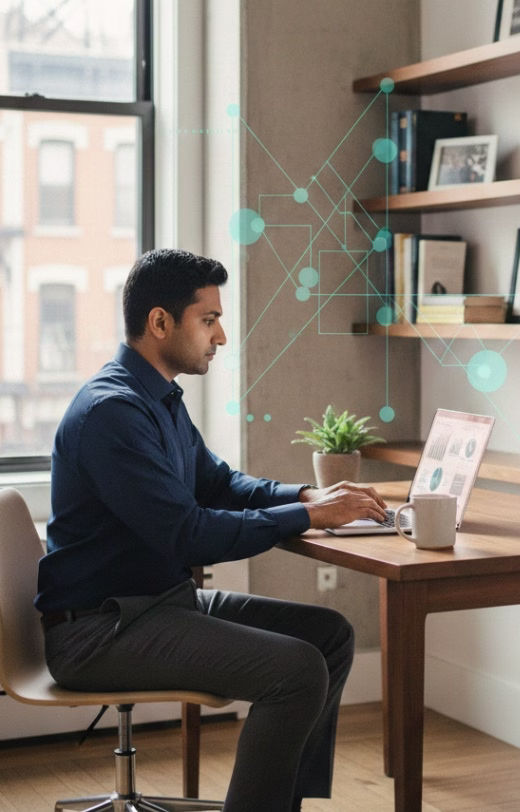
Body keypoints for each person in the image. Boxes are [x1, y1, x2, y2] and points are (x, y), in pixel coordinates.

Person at [35, 248, 388, 812]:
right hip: (102, 630)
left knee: (330, 635)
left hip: (159, 603)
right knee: (296, 671)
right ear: (159, 323)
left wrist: (305, 495)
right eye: (208, 320)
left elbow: (219, 484)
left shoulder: (159, 399)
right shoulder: (113, 413)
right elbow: (189, 534)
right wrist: (308, 518)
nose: (220, 336)